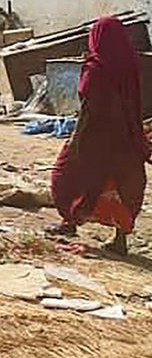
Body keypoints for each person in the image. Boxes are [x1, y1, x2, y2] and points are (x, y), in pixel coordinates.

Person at [49, 17, 149, 255]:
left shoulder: (96, 67)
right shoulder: (131, 64)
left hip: (96, 135)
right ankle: (120, 239)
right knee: (124, 185)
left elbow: (89, 108)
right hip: (127, 135)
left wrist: (75, 140)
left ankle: (70, 221)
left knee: (65, 176)